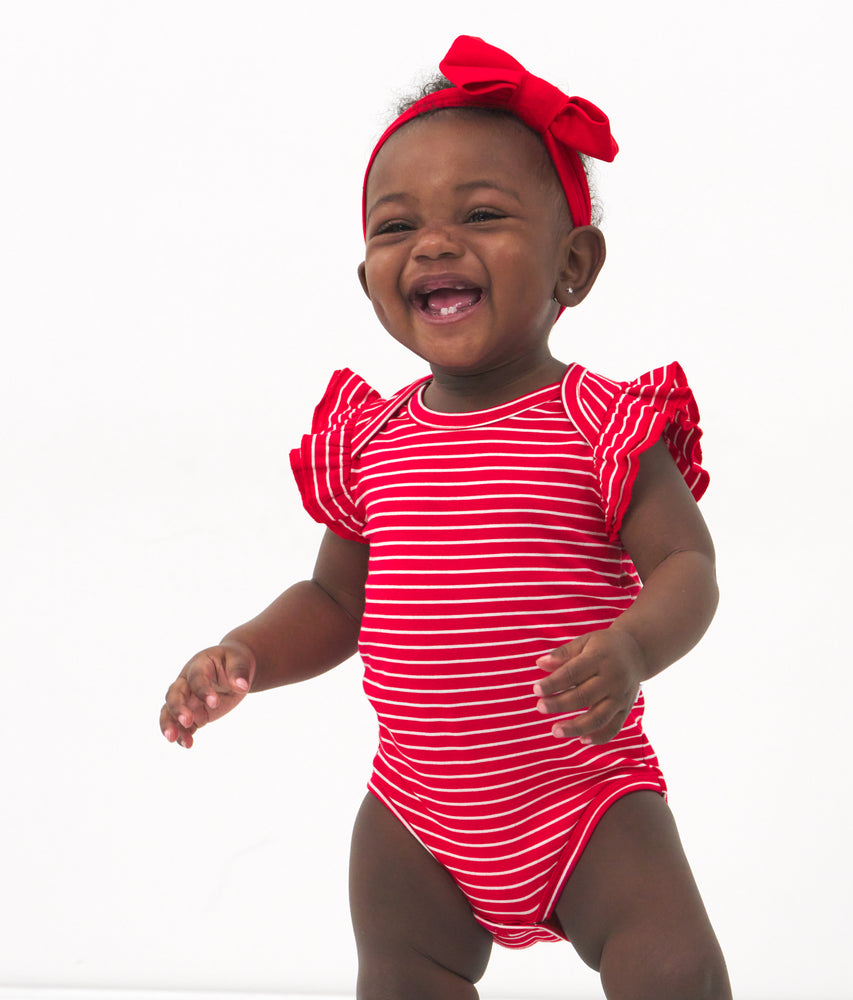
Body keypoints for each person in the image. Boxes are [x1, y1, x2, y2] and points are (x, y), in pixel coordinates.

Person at [159, 35, 732, 1000]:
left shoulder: (600, 424)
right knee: (400, 972)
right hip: (417, 813)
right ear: (369, 276)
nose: (432, 243)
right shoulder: (373, 439)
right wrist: (245, 652)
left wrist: (632, 648)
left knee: (671, 968)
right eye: (396, 227)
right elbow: (335, 601)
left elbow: (689, 564)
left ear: (574, 266)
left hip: (584, 796)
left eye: (482, 214)